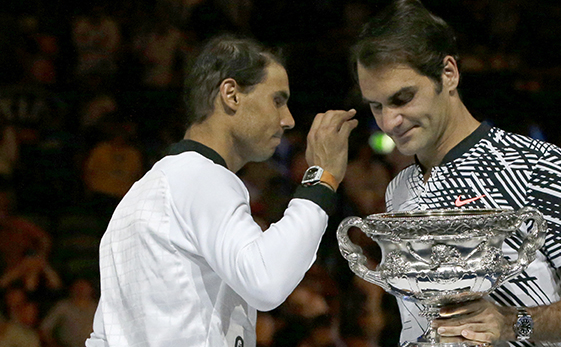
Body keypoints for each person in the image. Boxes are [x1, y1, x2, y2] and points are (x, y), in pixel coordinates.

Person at [350, 0, 561, 346]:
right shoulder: (399, 189)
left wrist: (513, 324)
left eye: (403, 98)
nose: (389, 121)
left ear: (448, 73)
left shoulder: (534, 164)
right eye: (376, 106)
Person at [85, 35, 358, 347]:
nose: (288, 120)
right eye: (277, 100)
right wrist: (321, 181)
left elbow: (103, 336)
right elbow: (265, 279)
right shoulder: (199, 175)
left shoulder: (139, 195)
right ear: (231, 94)